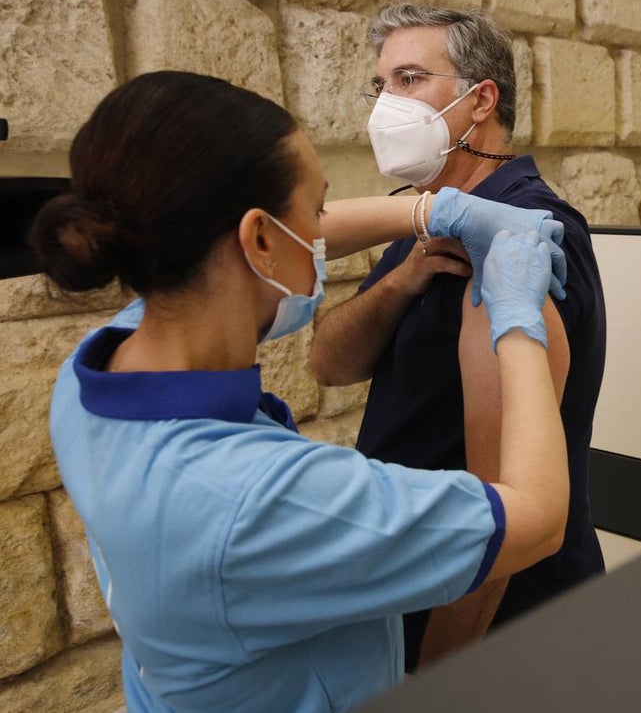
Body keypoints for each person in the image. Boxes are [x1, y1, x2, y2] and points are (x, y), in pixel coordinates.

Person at [30, 70, 575, 712]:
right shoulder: (257, 500)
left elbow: (257, 244)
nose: (323, 231)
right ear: (260, 239)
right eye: (315, 210)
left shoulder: (93, 375)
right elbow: (536, 519)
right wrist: (516, 319)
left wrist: (432, 209)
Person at [309, 4, 607, 669]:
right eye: (381, 84)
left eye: (411, 79)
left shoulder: (520, 231)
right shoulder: (427, 218)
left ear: (481, 100)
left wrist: (433, 679)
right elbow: (328, 365)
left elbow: (504, 500)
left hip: (498, 617)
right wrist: (399, 282)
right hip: (421, 586)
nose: (387, 104)